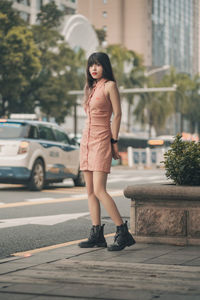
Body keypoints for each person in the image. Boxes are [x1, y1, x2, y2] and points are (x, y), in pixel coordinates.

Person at [79, 52, 135, 251]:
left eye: (98, 65)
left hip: (102, 139)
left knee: (100, 190)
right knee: (90, 191)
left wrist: (114, 142)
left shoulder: (110, 86)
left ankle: (123, 232)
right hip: (86, 141)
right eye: (91, 65)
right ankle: (97, 234)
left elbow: (118, 114)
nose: (93, 69)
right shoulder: (91, 87)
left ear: (105, 67)